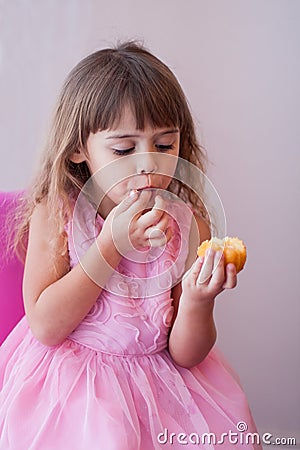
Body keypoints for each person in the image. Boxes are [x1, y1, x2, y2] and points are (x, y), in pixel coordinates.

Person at [0, 41, 261, 449]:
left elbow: (186, 355)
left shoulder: (188, 223)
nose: (148, 163)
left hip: (163, 390)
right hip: (76, 389)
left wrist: (197, 300)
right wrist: (110, 246)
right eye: (124, 149)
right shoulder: (58, 213)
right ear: (77, 150)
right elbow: (46, 326)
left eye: (164, 145)